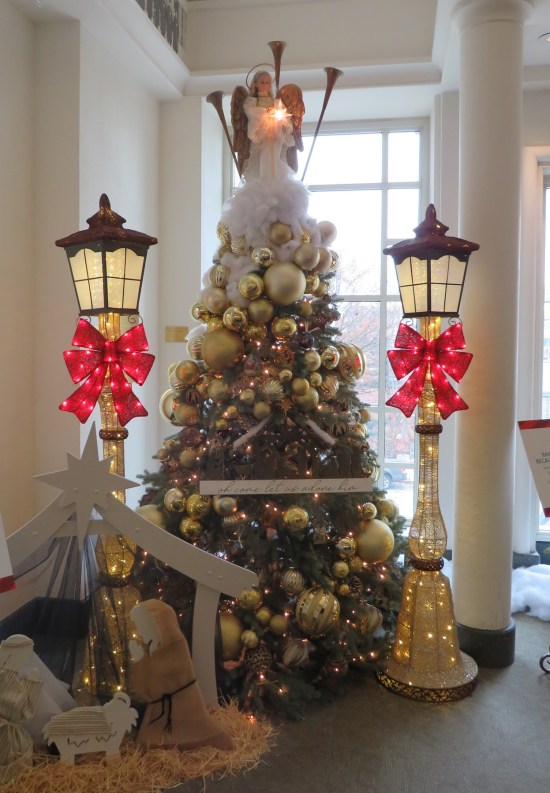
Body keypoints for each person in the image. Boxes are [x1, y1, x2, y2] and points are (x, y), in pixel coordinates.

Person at [243, 70, 294, 180]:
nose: (265, 85)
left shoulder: (276, 102)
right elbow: (251, 113)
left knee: (275, 157)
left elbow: (284, 117)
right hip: (262, 135)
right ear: (255, 84)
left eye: (268, 82)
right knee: (263, 157)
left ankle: (276, 178)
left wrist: (281, 120)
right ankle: (264, 178)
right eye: (262, 82)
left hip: (276, 134)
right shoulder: (252, 101)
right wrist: (266, 113)